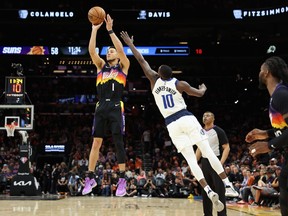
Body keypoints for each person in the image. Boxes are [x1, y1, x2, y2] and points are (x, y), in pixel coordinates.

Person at [120, 31, 238, 212]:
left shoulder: (154, 80)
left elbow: (141, 59)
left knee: (191, 159)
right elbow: (198, 94)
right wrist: (202, 89)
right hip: (185, 117)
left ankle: (207, 189)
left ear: (159, 73)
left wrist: (130, 43)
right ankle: (227, 184)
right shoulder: (179, 83)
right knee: (206, 150)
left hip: (171, 124)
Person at [82, 14, 130, 197]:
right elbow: (92, 52)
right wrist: (94, 29)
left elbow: (121, 50)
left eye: (112, 51)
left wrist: (110, 30)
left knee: (118, 142)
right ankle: (90, 177)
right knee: (96, 143)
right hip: (101, 106)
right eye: (108, 51)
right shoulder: (101, 67)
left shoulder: (123, 66)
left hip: (116, 107)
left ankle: (122, 180)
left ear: (117, 56)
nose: (109, 52)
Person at [245, 56, 288, 216]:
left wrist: (269, 145)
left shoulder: (281, 94)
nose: (259, 72)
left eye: (261, 69)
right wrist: (264, 134)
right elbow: (284, 129)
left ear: (267, 72)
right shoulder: (277, 95)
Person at [196, 111, 232, 216]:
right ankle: (207, 214)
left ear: (213, 118)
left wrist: (220, 163)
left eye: (207, 115)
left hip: (216, 161)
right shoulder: (200, 131)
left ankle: (222, 214)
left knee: (219, 191)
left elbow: (227, 148)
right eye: (203, 115)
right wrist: (194, 162)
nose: (205, 117)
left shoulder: (218, 131)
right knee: (206, 191)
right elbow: (199, 148)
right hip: (204, 162)